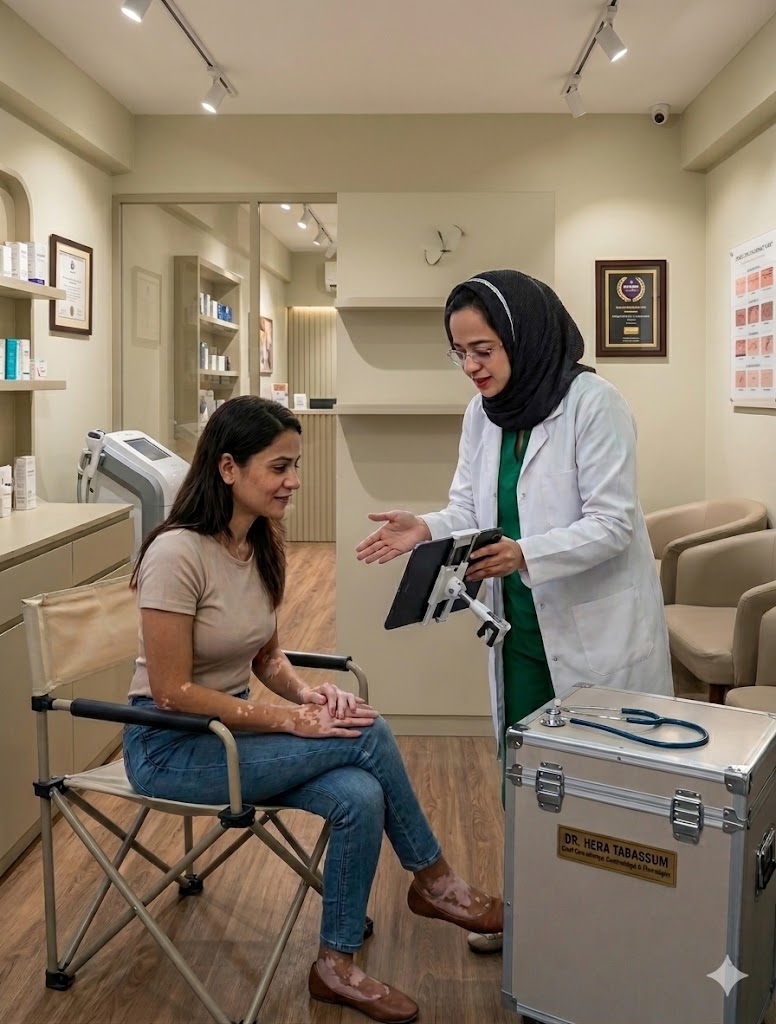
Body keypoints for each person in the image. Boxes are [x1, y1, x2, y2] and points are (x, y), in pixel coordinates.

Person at [124, 395, 503, 1024]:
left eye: (294, 465)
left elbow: (266, 660)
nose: (293, 481)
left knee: (358, 794)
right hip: (172, 748)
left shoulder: (258, 543)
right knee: (368, 732)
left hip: (230, 736)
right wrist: (288, 720)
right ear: (227, 469)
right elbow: (173, 692)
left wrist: (308, 695)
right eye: (278, 468)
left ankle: (336, 966)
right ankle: (435, 882)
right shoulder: (176, 553)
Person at [355, 269, 673, 956]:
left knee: (602, 781)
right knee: (526, 776)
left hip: (596, 632)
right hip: (522, 632)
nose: (471, 367)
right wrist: (426, 528)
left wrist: (527, 554)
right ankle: (533, 914)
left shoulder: (595, 404)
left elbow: (614, 524)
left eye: (483, 350)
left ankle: (606, 930)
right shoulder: (484, 415)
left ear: (524, 338)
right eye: (460, 353)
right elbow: (470, 511)